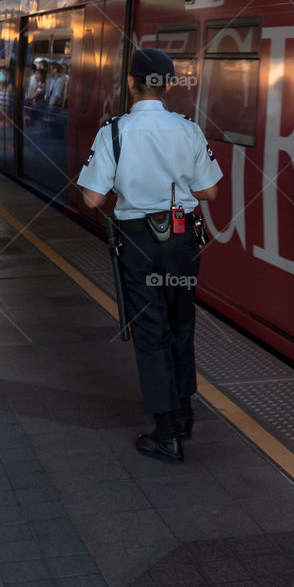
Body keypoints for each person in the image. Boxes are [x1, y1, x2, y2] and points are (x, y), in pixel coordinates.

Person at [78, 48, 222, 464]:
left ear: (130, 83)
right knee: (181, 324)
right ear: (170, 85)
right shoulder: (188, 129)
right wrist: (174, 183)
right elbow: (209, 191)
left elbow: (91, 198)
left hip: (139, 244)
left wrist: (132, 186)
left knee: (150, 332)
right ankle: (185, 412)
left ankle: (165, 433)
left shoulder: (114, 132)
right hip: (183, 240)